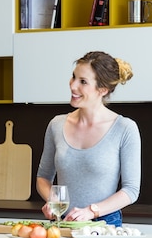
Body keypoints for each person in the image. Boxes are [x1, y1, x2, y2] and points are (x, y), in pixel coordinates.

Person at [36, 51, 141, 227]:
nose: (73, 86)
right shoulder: (56, 124)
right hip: (62, 223)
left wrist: (91, 211)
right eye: (73, 77)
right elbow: (43, 177)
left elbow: (131, 190)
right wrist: (53, 200)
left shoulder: (125, 129)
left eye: (83, 82)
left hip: (104, 224)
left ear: (103, 89)